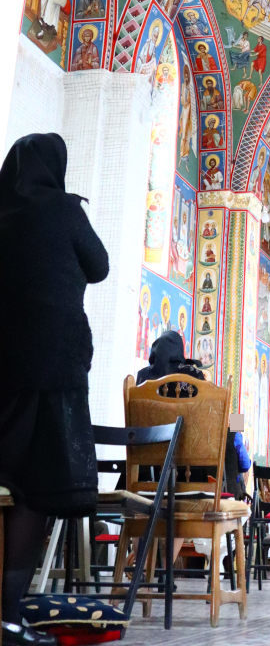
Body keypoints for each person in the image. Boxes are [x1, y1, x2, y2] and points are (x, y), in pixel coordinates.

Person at [0, 134, 109, 646]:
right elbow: (100, 266)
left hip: (5, 370)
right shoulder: (64, 212)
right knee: (35, 491)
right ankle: (10, 614)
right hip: (54, 369)